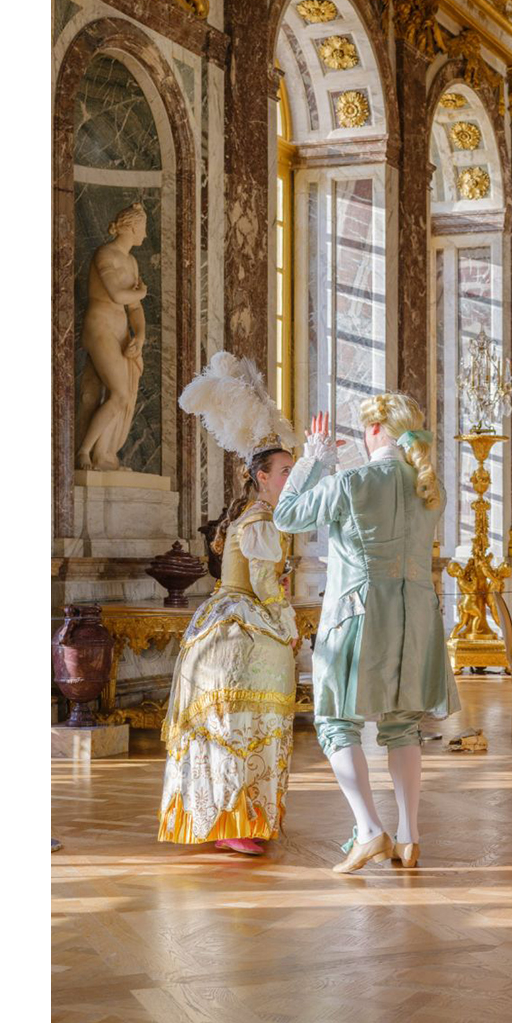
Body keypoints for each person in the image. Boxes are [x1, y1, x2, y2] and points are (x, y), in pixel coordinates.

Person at [274, 392, 455, 874]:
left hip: (356, 614)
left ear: (374, 431)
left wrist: (312, 460)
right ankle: (409, 836)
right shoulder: (429, 487)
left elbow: (286, 515)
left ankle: (370, 829)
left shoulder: (351, 481)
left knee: (336, 720)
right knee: (403, 724)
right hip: (415, 616)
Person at [158, 353, 299, 855]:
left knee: (233, 721)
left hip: (224, 621)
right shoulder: (260, 521)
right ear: (261, 477)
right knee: (238, 721)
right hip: (239, 626)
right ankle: (234, 820)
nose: (290, 478)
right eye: (285, 471)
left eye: (292, 470)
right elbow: (264, 583)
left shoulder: (255, 515)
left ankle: (232, 816)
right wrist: (288, 626)